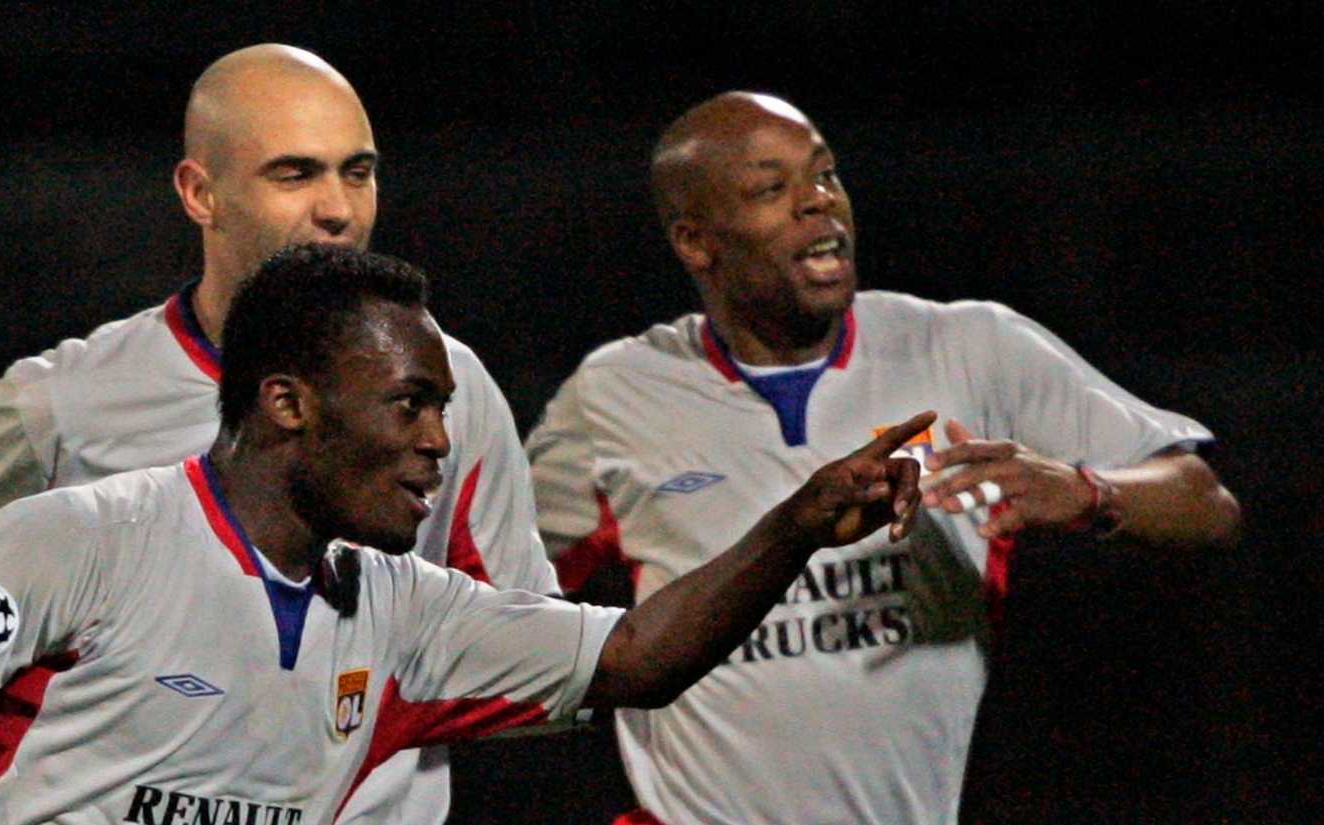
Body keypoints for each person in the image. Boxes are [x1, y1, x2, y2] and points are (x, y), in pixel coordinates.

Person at [0, 244, 936, 825]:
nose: (443, 440)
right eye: (411, 404)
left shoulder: (403, 611)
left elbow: (635, 658)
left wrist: (795, 525)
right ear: (289, 403)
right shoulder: (86, 541)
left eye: (443, 406)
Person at [0, 44, 557, 825]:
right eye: (295, 174)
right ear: (200, 192)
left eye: (358, 171)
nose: (338, 207)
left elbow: (519, 658)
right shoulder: (65, 403)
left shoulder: (454, 390)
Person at [526, 91, 1242, 825]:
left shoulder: (970, 349)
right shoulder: (616, 392)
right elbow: (492, 598)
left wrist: (1090, 491)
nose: (818, 203)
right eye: (774, 189)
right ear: (696, 241)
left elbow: (1206, 502)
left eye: (825, 174)